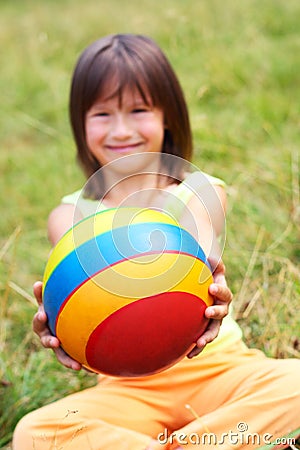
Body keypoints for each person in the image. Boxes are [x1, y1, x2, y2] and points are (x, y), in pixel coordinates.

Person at [13, 34, 299, 450]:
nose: (122, 129)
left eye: (139, 110)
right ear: (80, 124)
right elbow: (73, 298)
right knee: (37, 434)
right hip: (128, 389)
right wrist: (59, 324)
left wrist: (211, 289)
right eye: (103, 114)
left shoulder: (200, 191)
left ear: (168, 117)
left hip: (221, 371)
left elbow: (198, 255)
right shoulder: (68, 217)